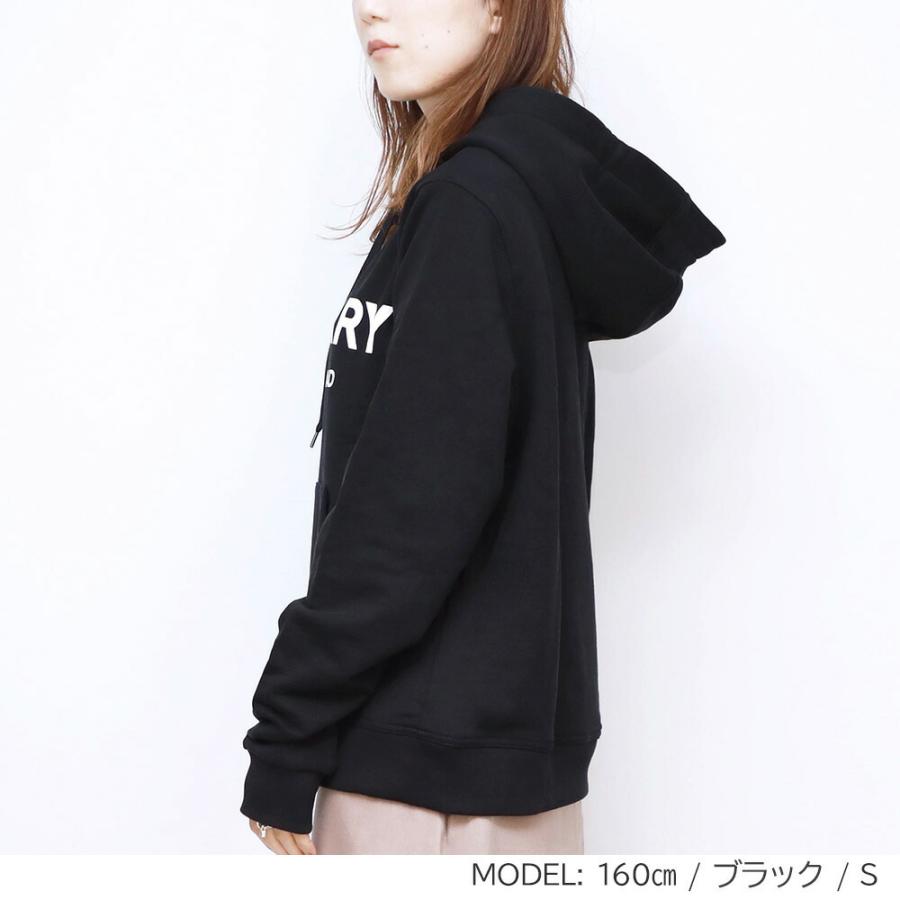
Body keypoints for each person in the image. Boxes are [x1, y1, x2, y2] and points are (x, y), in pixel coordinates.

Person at [240, 0, 726, 855]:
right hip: (487, 767)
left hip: (423, 783)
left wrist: (287, 731)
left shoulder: (470, 206)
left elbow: (407, 513)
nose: (372, 8)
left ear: (502, 10)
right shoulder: (503, 196)